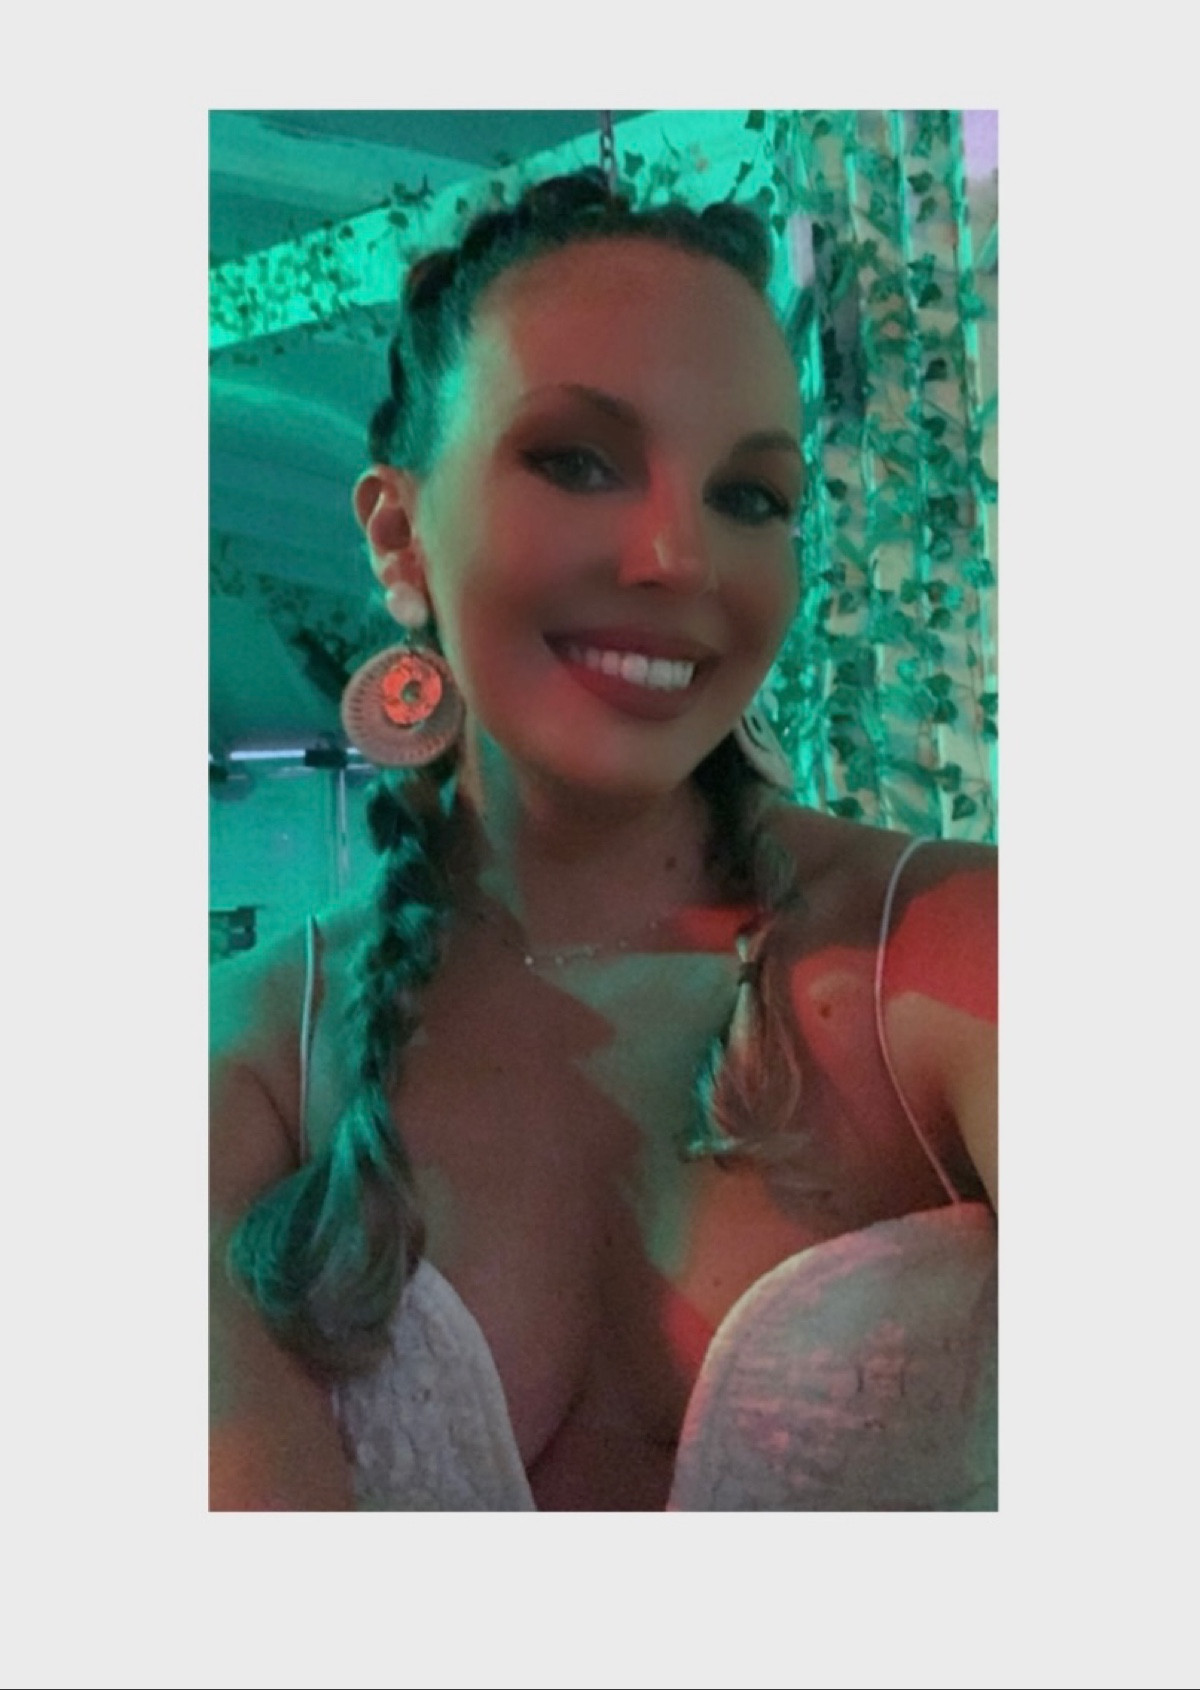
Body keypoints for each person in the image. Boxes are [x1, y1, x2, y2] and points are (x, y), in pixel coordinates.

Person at [209, 168, 997, 1511]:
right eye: (577, 460)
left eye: (750, 496)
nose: (679, 558)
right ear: (400, 538)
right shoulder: (252, 1055)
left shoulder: (961, 955)